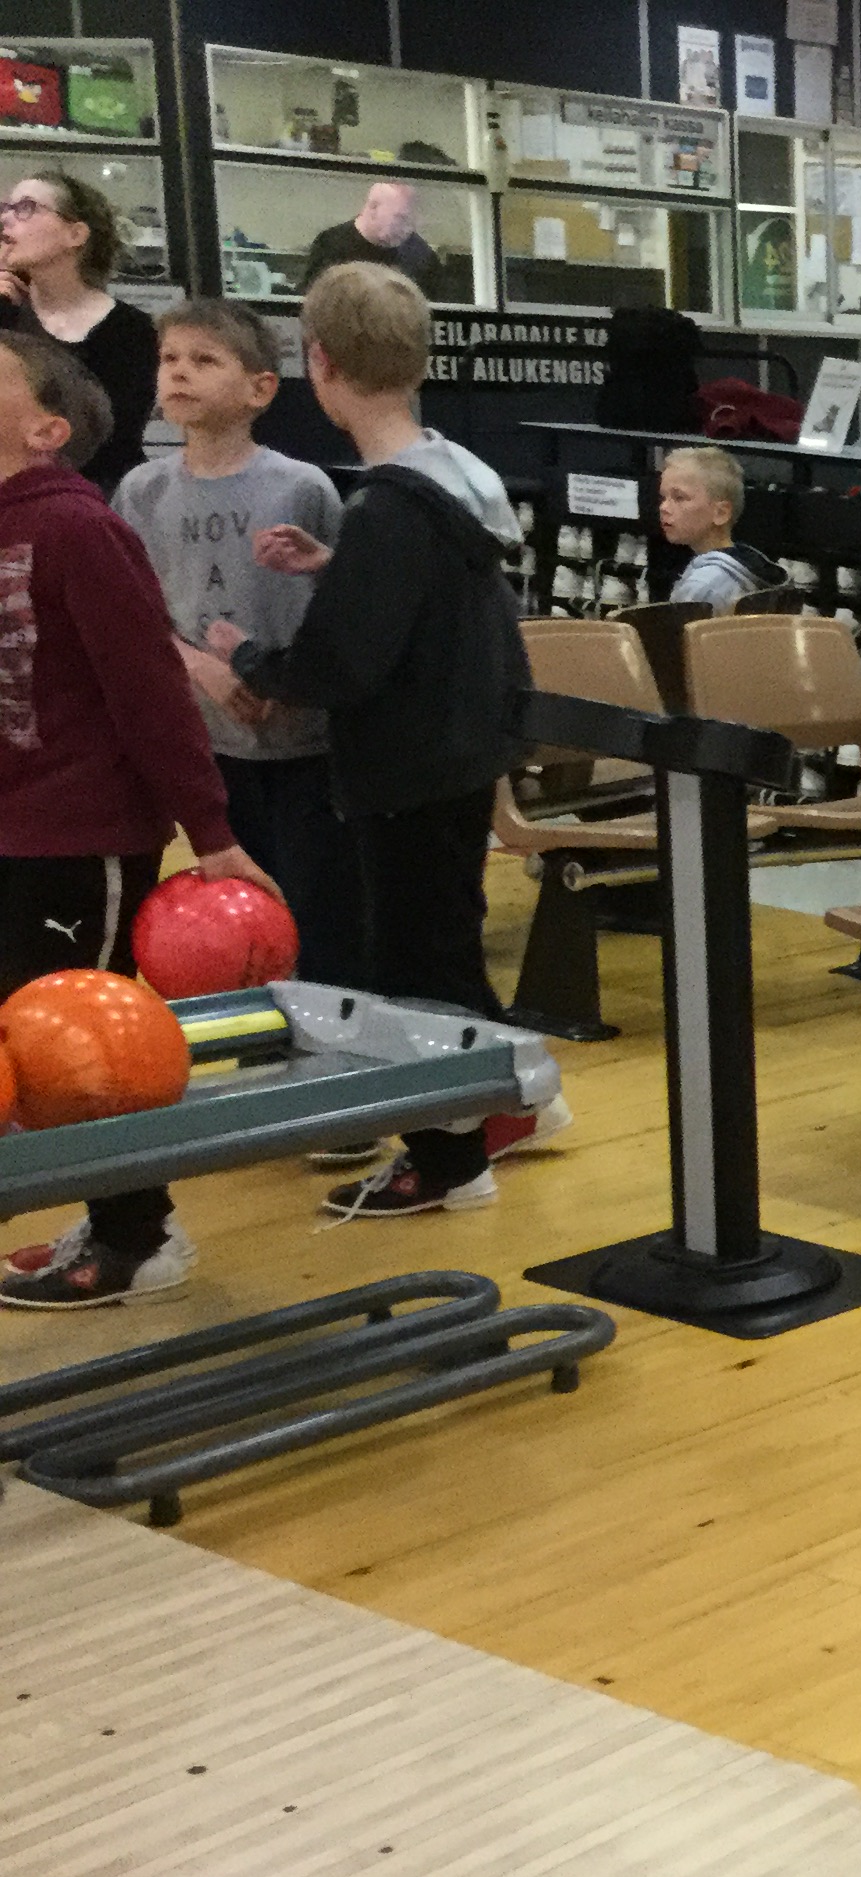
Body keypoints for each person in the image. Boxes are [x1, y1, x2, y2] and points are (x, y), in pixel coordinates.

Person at [206, 264, 553, 1218]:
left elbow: (339, 669)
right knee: (447, 948)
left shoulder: (391, 505)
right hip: (458, 750)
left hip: (408, 766)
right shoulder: (450, 474)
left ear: (317, 361)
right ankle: (513, 1105)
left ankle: (447, 1161)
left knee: (414, 974)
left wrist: (248, 657)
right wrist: (339, 567)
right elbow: (428, 604)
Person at [0, 331, 282, 1310]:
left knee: (88, 1056)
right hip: (11, 837)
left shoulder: (79, 529)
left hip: (82, 842)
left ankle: (139, 1238)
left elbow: (151, 693)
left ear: (48, 429)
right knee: (28, 1048)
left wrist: (214, 835)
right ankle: (109, 1217)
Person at [114, 299, 360, 989]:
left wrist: (281, 678)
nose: (179, 373)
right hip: (205, 747)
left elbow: (340, 608)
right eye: (169, 359)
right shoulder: (140, 492)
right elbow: (132, 618)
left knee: (316, 916)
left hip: (304, 744)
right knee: (237, 922)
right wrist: (200, 667)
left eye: (204, 360)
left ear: (260, 388)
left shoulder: (302, 486)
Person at [0, 170, 154, 493]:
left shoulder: (132, 330)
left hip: (102, 498)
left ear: (75, 234)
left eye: (26, 208)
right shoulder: (5, 314)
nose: (5, 219)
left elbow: (116, 438)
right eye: (6, 208)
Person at [656, 445, 776, 608]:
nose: (663, 507)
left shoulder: (704, 587)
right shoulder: (748, 565)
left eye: (679, 498)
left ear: (721, 513)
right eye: (663, 497)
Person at [299, 181, 443, 297]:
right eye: (400, 218)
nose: (408, 229)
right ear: (373, 208)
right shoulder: (331, 244)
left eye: (411, 221)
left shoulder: (419, 254)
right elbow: (312, 302)